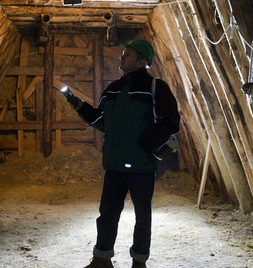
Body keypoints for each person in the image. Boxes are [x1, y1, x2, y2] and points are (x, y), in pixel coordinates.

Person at [63, 39, 181, 268]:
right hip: (114, 165)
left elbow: (171, 122)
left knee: (142, 217)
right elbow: (102, 121)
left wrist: (146, 146)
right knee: (107, 213)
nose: (122, 57)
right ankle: (101, 259)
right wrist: (79, 106)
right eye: (123, 54)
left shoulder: (155, 87)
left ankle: (139, 262)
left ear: (141, 61)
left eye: (128, 55)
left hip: (141, 167)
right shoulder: (113, 89)